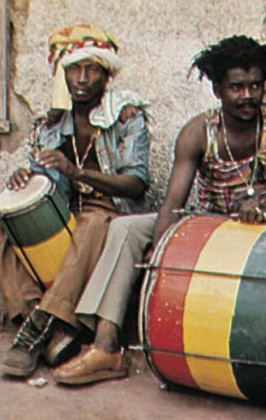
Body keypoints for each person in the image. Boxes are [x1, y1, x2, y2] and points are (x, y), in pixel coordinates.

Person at [53, 35, 266, 385]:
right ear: (218, 90)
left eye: (255, 86)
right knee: (125, 228)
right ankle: (106, 347)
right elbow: (172, 205)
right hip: (212, 228)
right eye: (236, 87)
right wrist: (160, 259)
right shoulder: (197, 132)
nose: (247, 96)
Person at [0, 23, 150, 378]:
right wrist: (25, 178)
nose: (82, 79)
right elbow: (43, 180)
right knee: (7, 224)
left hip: (109, 211)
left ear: (107, 75)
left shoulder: (127, 117)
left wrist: (77, 172)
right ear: (62, 74)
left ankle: (40, 325)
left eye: (92, 69)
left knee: (93, 223)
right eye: (73, 69)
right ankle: (45, 327)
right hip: (64, 212)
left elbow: (136, 184)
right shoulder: (49, 124)